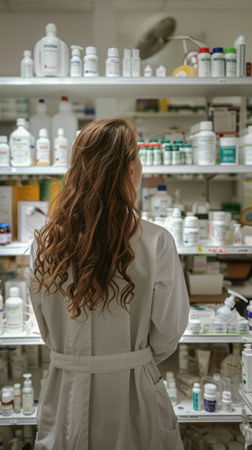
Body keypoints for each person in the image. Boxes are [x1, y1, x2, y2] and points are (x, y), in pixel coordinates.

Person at [30, 118, 189, 450]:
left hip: (67, 392)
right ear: (131, 170)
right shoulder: (157, 241)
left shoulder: (44, 244)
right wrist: (132, 357)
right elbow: (168, 333)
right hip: (134, 390)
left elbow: (47, 331)